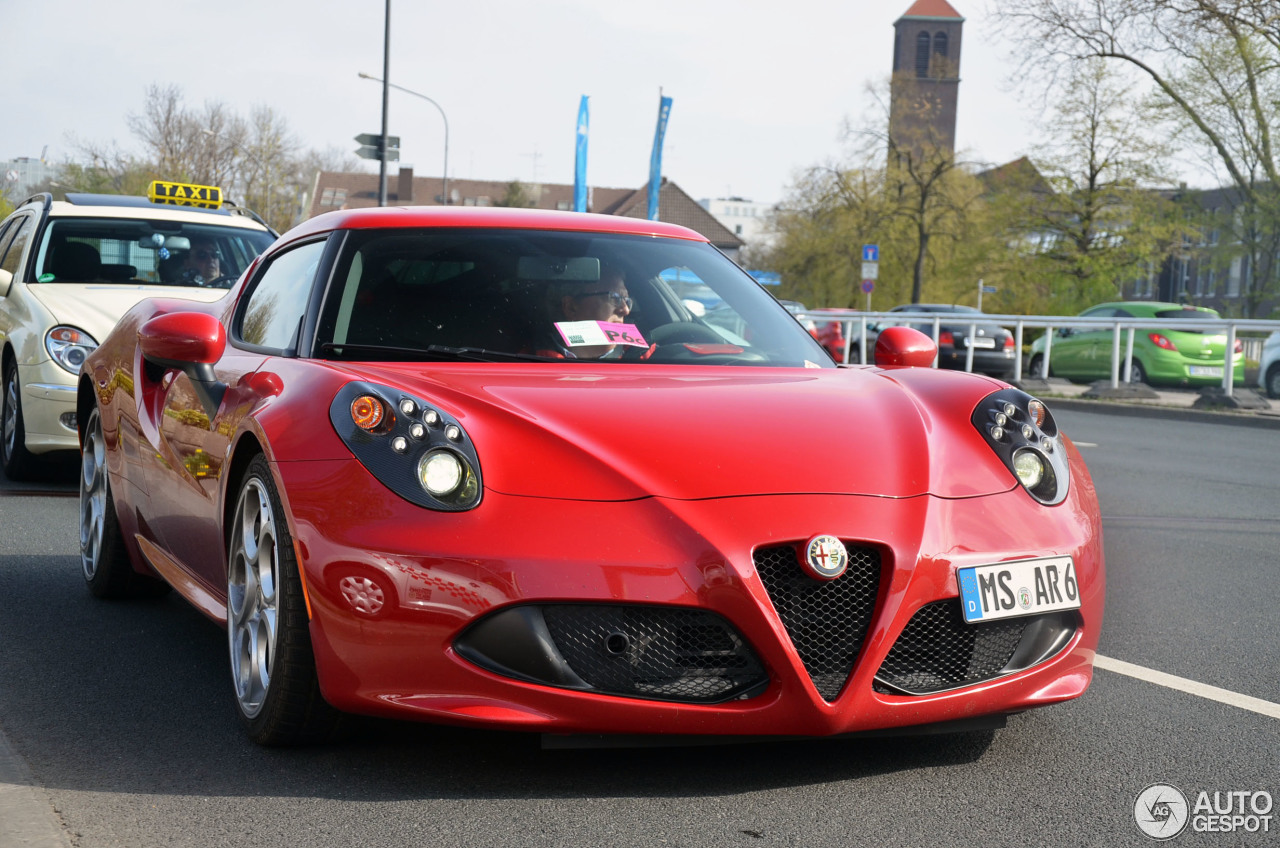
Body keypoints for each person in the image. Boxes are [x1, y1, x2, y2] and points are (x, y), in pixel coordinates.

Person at [542, 265, 635, 359]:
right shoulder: (530, 359)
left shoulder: (640, 357)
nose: (625, 310)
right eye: (615, 298)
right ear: (571, 308)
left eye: (627, 301)